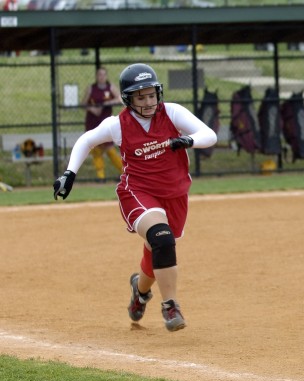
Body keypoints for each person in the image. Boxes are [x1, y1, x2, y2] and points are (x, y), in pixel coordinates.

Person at [53, 63, 217, 332]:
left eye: (152, 95)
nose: (149, 102)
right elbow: (86, 140)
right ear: (128, 99)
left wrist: (188, 140)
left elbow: (208, 135)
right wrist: (69, 174)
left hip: (174, 194)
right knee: (161, 238)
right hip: (138, 192)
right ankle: (171, 306)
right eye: (141, 97)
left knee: (158, 249)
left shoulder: (172, 112)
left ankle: (139, 292)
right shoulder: (118, 124)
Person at [80, 67, 124, 182]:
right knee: (96, 149)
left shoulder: (111, 87)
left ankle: (124, 172)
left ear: (106, 76)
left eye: (104, 75)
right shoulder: (91, 88)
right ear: (96, 76)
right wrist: (93, 109)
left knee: (109, 149)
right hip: (93, 122)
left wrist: (106, 104)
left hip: (106, 123)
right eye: (99, 75)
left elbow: (120, 99)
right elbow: (83, 103)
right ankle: (101, 177)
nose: (101, 77)